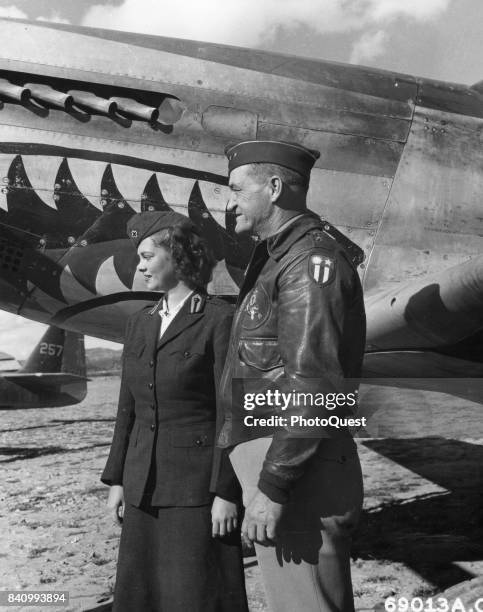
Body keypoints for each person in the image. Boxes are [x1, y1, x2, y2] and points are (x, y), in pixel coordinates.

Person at [217, 140, 366, 612]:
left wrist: (275, 485)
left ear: (275, 188)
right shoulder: (281, 257)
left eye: (238, 190)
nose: (229, 202)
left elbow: (315, 384)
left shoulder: (307, 262)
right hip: (283, 462)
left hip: (297, 473)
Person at [101, 211, 248, 612]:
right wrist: (118, 480)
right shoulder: (139, 324)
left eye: (148, 256)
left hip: (197, 491)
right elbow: (127, 409)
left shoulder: (220, 320)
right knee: (142, 597)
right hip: (143, 486)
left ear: (179, 256)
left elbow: (233, 412)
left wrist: (227, 493)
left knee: (196, 596)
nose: (140, 266)